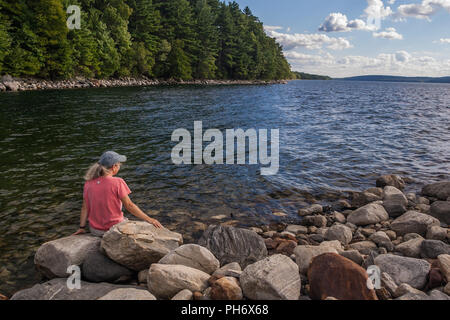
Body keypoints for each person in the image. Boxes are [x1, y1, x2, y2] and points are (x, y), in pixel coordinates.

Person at [73, 151, 162, 237]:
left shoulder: (88, 183)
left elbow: (85, 207)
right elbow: (129, 205)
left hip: (95, 231)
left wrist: (82, 227)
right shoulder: (117, 182)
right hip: (114, 229)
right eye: (119, 165)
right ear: (114, 167)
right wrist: (149, 219)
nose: (119, 167)